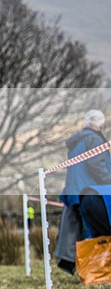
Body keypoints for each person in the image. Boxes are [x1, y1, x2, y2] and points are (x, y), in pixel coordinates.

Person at [56, 110, 111, 274]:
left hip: (73, 189)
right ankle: (91, 271)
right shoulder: (94, 139)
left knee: (78, 228)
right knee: (90, 230)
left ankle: (80, 266)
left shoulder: (77, 141)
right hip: (88, 191)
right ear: (100, 124)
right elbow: (98, 167)